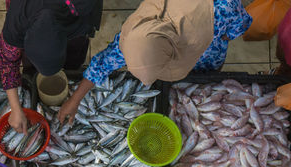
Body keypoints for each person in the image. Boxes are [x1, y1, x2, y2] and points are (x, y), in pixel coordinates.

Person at [58, 0, 252, 124]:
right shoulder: (140, 36)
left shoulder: (223, 8)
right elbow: (102, 64)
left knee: (207, 72)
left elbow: (238, 27)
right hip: (187, 42)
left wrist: (211, 39)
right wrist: (74, 100)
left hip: (208, 48)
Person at [0, 0, 103, 134]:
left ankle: (71, 64)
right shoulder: (17, 21)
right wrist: (15, 108)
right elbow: (7, 59)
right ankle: (32, 70)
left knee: (78, 45)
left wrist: (75, 99)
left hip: (72, 10)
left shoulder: (82, 5)